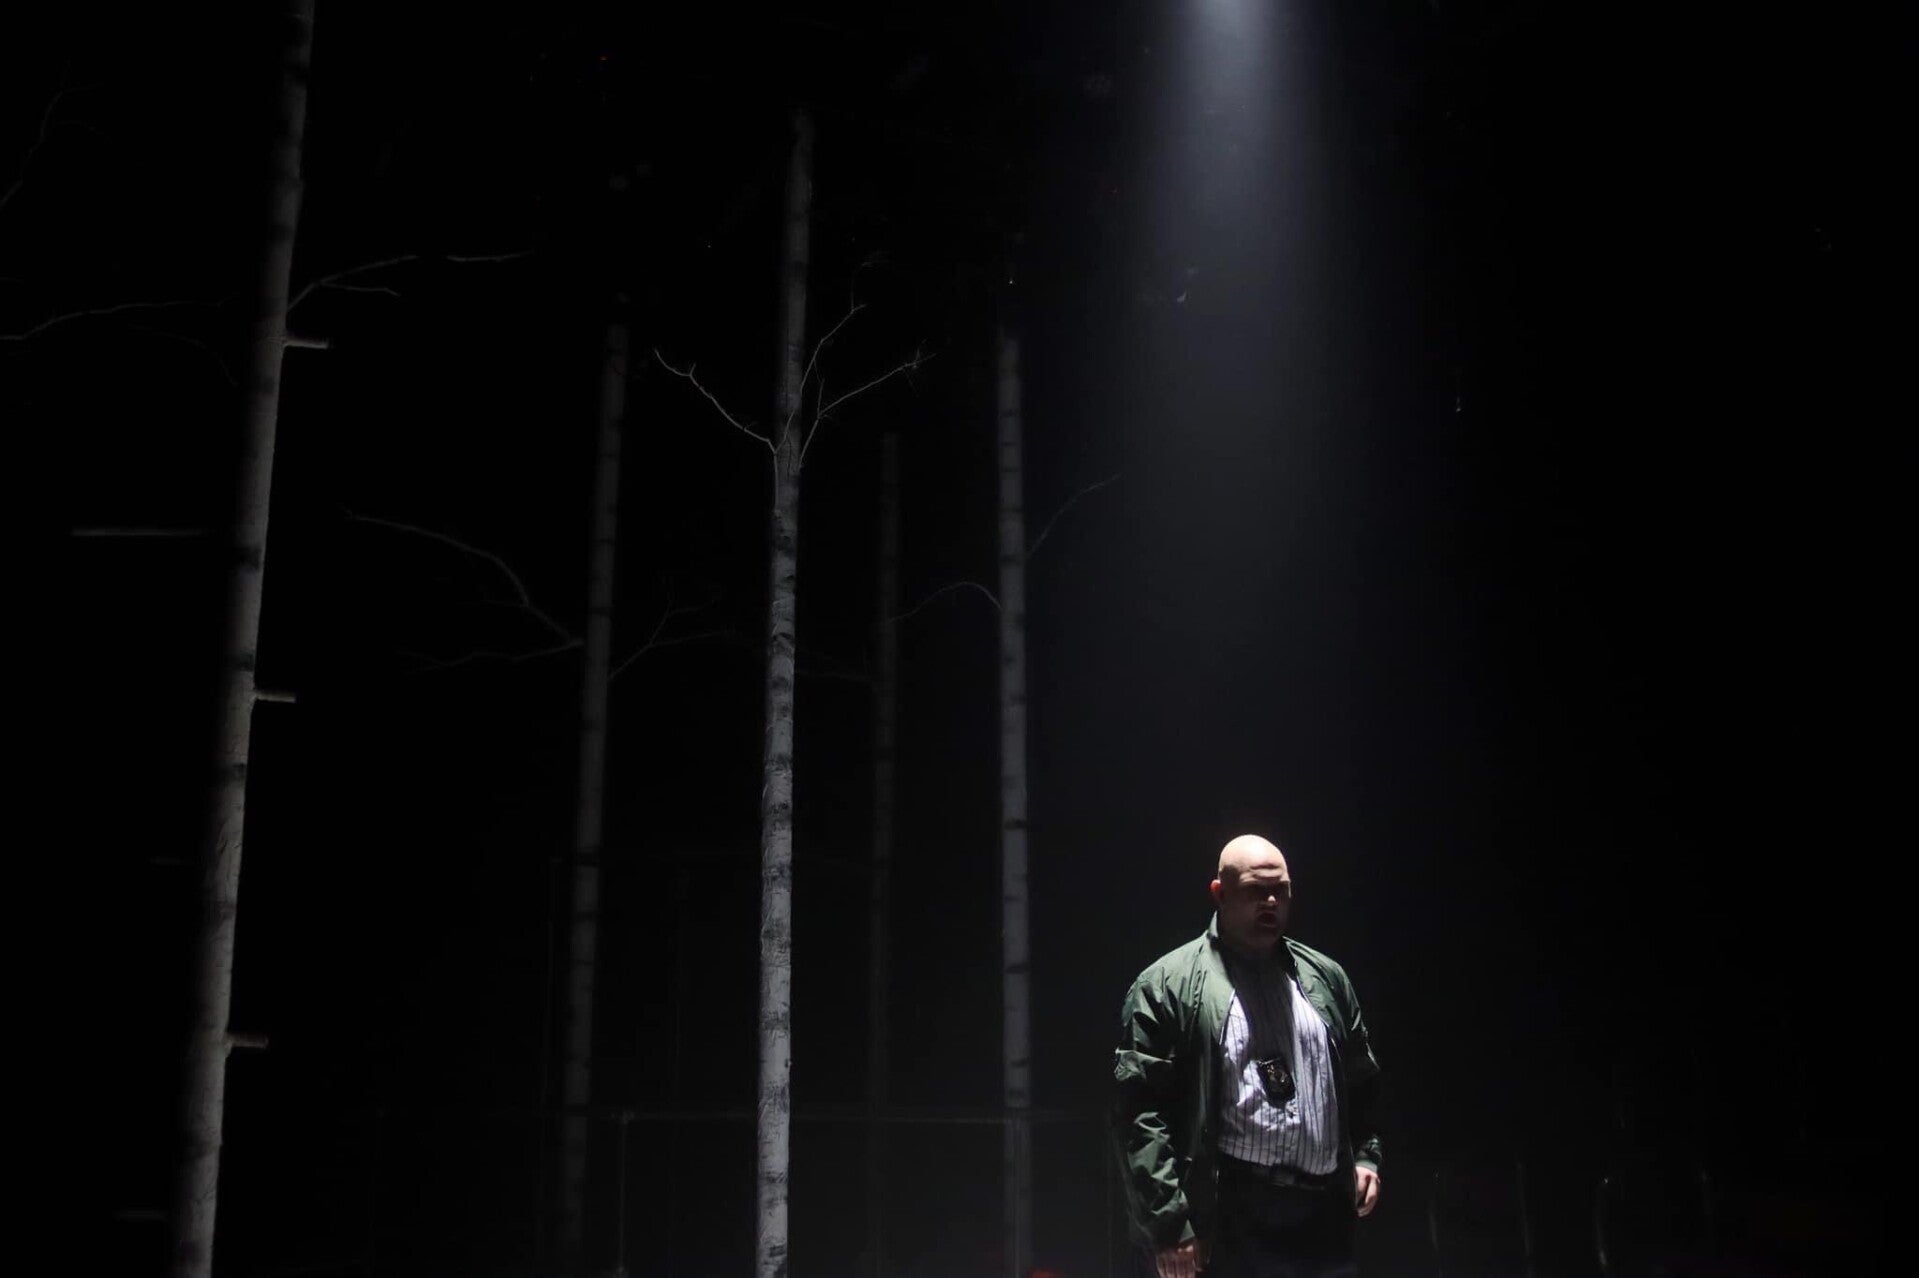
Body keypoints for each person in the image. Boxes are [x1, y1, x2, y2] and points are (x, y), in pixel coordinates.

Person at [1111, 835, 1382, 1278]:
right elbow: (1140, 1114)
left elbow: (1362, 1079)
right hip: (1231, 1214)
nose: (1271, 901)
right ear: (1220, 893)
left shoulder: (1325, 978)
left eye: (1281, 890)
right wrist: (1169, 1222)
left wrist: (1367, 1157)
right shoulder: (1167, 986)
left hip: (1322, 1216)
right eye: (1256, 890)